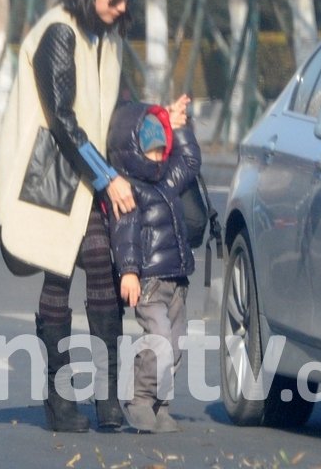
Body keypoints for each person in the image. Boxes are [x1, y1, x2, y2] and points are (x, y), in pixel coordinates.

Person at [0, 0, 141, 432]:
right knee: (57, 274)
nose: (121, 8)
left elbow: (115, 108)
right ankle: (60, 400)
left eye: (126, 0)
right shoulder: (60, 31)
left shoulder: (107, 37)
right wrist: (108, 178)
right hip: (54, 175)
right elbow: (61, 117)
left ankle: (109, 399)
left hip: (86, 173)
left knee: (102, 268)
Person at [105, 97, 201, 433]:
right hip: (148, 282)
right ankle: (139, 398)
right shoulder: (128, 190)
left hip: (176, 281)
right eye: (151, 151)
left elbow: (189, 161)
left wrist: (179, 126)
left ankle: (161, 404)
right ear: (132, 151)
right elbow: (125, 232)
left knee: (175, 345)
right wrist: (129, 271)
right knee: (158, 338)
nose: (159, 158)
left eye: (162, 150)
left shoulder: (166, 182)